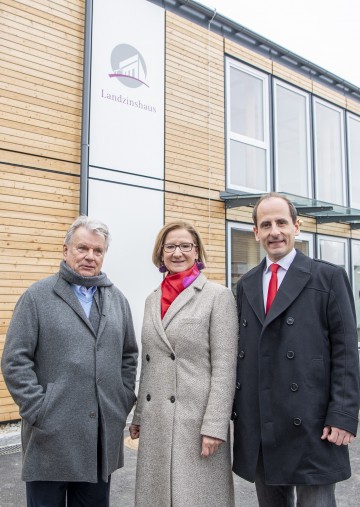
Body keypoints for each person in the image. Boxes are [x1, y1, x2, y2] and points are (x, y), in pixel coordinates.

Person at [232, 193, 360, 507]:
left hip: (313, 423)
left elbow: (346, 352)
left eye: (281, 222)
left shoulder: (328, 277)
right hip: (264, 424)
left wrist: (343, 415)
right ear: (256, 233)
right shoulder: (245, 285)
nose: (274, 231)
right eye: (266, 224)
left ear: (297, 226)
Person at [1, 216, 138, 507]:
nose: (90, 256)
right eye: (82, 248)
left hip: (100, 440)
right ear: (66, 251)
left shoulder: (117, 300)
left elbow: (129, 356)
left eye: (97, 251)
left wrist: (121, 400)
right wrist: (39, 410)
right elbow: (15, 361)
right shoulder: (37, 297)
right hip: (50, 438)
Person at [129, 221, 238, 507]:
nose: (178, 253)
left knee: (196, 498)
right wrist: (139, 414)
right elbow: (150, 363)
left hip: (197, 422)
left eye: (185, 246)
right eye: (170, 247)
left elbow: (225, 367)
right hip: (157, 422)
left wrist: (215, 426)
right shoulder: (152, 300)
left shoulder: (217, 296)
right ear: (160, 253)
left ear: (197, 251)